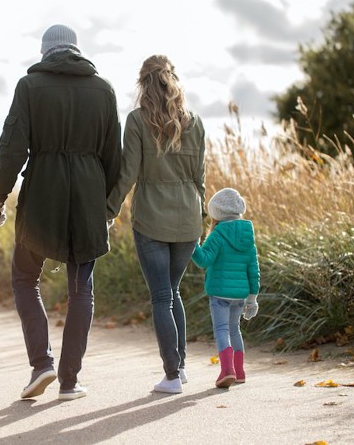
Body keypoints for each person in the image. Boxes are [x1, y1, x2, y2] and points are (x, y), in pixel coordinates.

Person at [0, 24, 121, 401]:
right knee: (82, 291)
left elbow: (11, 150)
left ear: (45, 51)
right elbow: (114, 158)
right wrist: (104, 206)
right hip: (88, 200)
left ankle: (41, 364)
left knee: (26, 278)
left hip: (43, 193)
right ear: (77, 49)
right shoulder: (104, 89)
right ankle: (69, 381)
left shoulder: (29, 87)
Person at [106, 55, 206, 394]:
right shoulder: (196, 122)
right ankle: (181, 367)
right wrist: (203, 218)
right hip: (189, 219)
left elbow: (128, 173)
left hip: (151, 219)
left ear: (143, 83)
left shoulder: (136, 121)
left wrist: (109, 210)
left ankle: (172, 375)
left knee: (162, 296)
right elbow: (200, 179)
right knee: (172, 291)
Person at [190, 187, 260, 388]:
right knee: (234, 329)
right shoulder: (248, 234)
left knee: (222, 330)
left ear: (216, 214)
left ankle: (226, 370)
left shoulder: (218, 233)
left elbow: (204, 261)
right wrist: (253, 298)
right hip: (240, 294)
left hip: (220, 292)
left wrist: (192, 244)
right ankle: (239, 372)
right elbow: (253, 268)